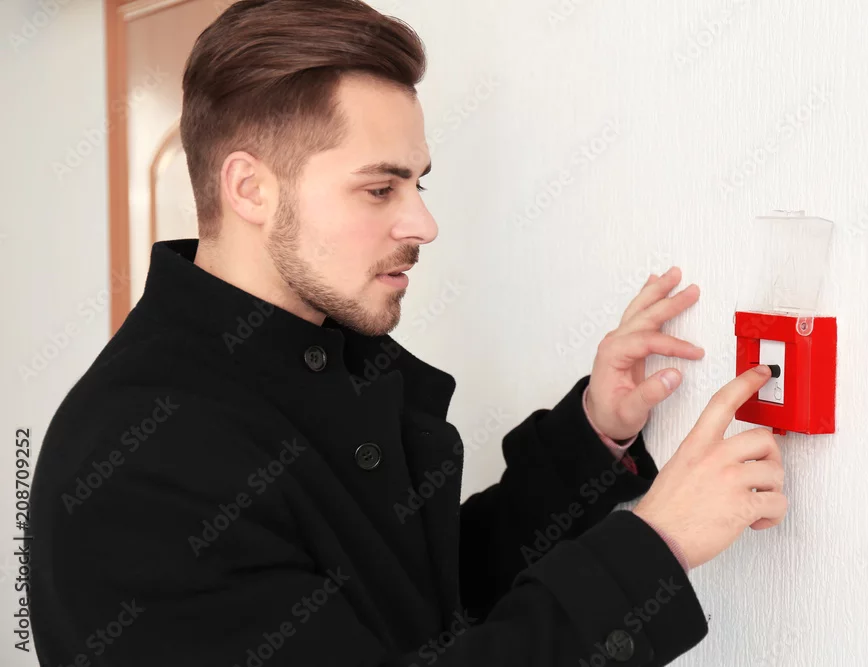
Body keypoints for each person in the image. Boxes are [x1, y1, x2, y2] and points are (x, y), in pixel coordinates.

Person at [28, 1, 786, 665]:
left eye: (416, 183)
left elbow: (423, 595)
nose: (423, 223)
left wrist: (592, 435)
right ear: (251, 189)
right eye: (379, 188)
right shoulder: (140, 460)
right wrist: (658, 545)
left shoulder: (308, 359)